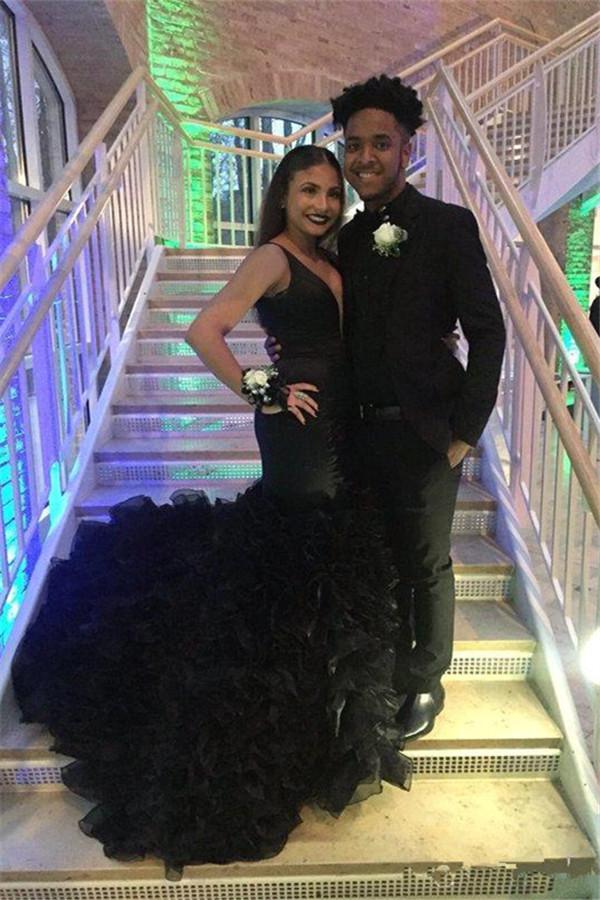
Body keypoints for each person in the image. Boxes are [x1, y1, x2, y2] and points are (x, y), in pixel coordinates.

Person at [12, 145, 411, 879]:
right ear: (283, 195)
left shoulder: (327, 259)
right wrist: (264, 389)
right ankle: (257, 738)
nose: (322, 204)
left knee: (317, 562)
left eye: (331, 193)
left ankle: (307, 722)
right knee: (296, 557)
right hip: (299, 430)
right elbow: (204, 330)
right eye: (309, 191)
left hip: (341, 426)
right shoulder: (272, 257)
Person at [268, 75, 506, 741]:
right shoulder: (344, 239)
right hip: (355, 432)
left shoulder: (449, 226)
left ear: (407, 148)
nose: (365, 157)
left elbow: (488, 333)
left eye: (380, 143)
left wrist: (465, 433)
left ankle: (425, 680)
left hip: (426, 433)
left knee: (425, 564)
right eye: (354, 145)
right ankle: (378, 671)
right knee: (375, 559)